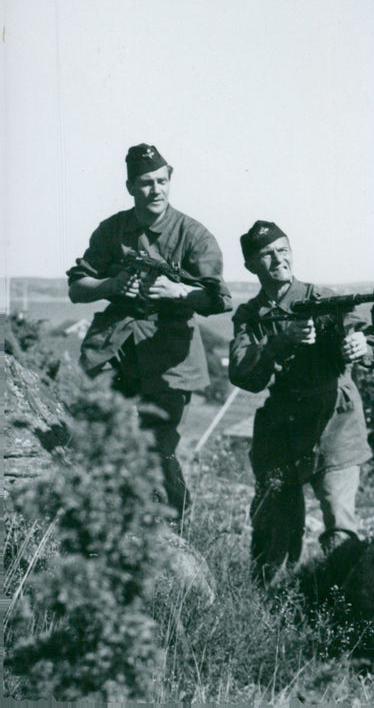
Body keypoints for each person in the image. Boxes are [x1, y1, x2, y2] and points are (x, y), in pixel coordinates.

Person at [229, 220, 374, 585]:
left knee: (340, 526)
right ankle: (269, 609)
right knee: (273, 527)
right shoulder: (250, 316)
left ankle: (343, 607)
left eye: (283, 250)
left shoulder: (324, 300)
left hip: (335, 424)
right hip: (283, 430)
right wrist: (280, 342)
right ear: (250, 266)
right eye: (267, 255)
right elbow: (244, 375)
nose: (278, 260)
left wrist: (362, 346)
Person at [67, 143, 231, 518]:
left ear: (170, 181)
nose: (155, 190)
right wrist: (111, 286)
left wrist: (180, 292)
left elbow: (217, 298)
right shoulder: (112, 230)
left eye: (162, 181)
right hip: (115, 346)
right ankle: (103, 523)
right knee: (98, 434)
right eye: (145, 183)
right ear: (130, 187)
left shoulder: (193, 234)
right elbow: (77, 287)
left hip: (168, 355)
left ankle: (175, 527)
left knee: (157, 447)